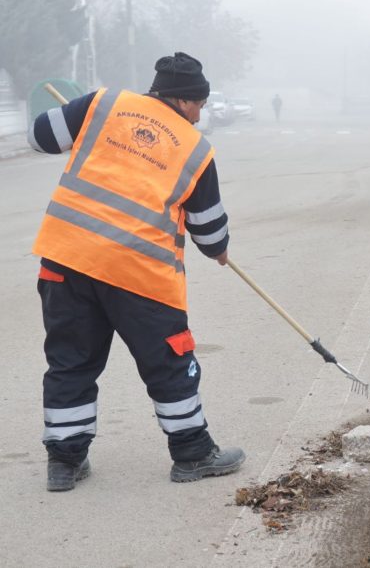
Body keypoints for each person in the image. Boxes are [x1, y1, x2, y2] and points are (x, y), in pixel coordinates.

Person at [28, 52, 245, 492]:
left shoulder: (103, 104)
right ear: (184, 102)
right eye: (200, 106)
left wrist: (75, 119)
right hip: (140, 273)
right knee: (169, 362)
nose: (200, 117)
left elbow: (40, 137)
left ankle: (64, 463)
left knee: (70, 361)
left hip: (67, 259)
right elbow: (208, 230)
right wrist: (220, 250)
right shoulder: (193, 146)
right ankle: (192, 454)